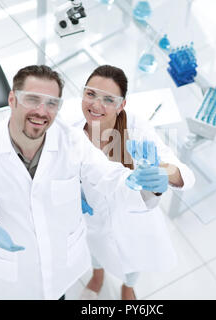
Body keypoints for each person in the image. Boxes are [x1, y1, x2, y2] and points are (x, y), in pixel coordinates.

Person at [0, 65, 170, 300]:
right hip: (9, 279)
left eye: (51, 103)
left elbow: (109, 177)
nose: (41, 111)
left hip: (58, 274)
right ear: (12, 99)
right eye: (32, 99)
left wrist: (149, 186)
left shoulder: (72, 141)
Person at [74, 65, 195, 300]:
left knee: (132, 257)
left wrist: (161, 172)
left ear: (122, 105)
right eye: (91, 94)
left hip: (132, 217)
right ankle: (97, 275)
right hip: (91, 215)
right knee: (96, 248)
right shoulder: (71, 129)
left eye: (108, 99)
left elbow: (184, 174)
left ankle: (127, 287)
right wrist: (73, 192)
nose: (96, 105)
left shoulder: (135, 127)